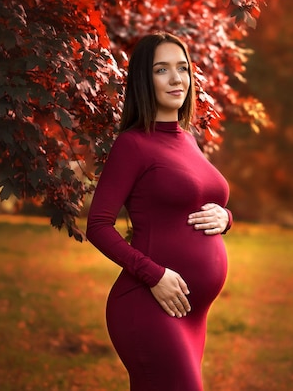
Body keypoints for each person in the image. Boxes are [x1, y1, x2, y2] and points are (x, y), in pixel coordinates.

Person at [86, 31, 233, 391]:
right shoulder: (133, 144)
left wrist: (226, 219)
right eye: (161, 70)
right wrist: (153, 275)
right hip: (149, 306)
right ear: (143, 79)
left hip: (192, 314)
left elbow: (202, 201)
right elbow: (98, 225)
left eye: (182, 68)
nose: (176, 79)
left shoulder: (187, 139)